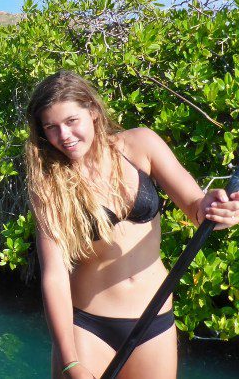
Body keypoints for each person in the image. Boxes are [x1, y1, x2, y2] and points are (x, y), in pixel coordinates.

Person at [25, 70, 239, 378]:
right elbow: (55, 275)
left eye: (72, 121)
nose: (65, 135)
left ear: (93, 111)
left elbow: (195, 208)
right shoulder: (49, 183)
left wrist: (219, 212)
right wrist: (70, 361)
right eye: (52, 127)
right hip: (88, 326)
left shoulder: (141, 144)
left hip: (154, 321)